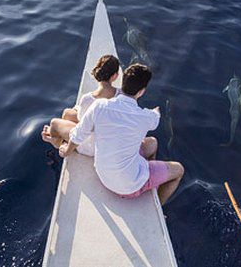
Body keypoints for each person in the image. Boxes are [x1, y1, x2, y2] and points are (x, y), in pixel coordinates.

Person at [60, 64, 184, 205]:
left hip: (104, 176)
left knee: (152, 143)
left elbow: (78, 134)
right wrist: (156, 112)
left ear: (122, 82)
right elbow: (155, 119)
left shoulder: (99, 106)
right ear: (142, 91)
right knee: (179, 170)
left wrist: (66, 151)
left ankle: (150, 175)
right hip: (130, 187)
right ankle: (158, 204)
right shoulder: (147, 117)